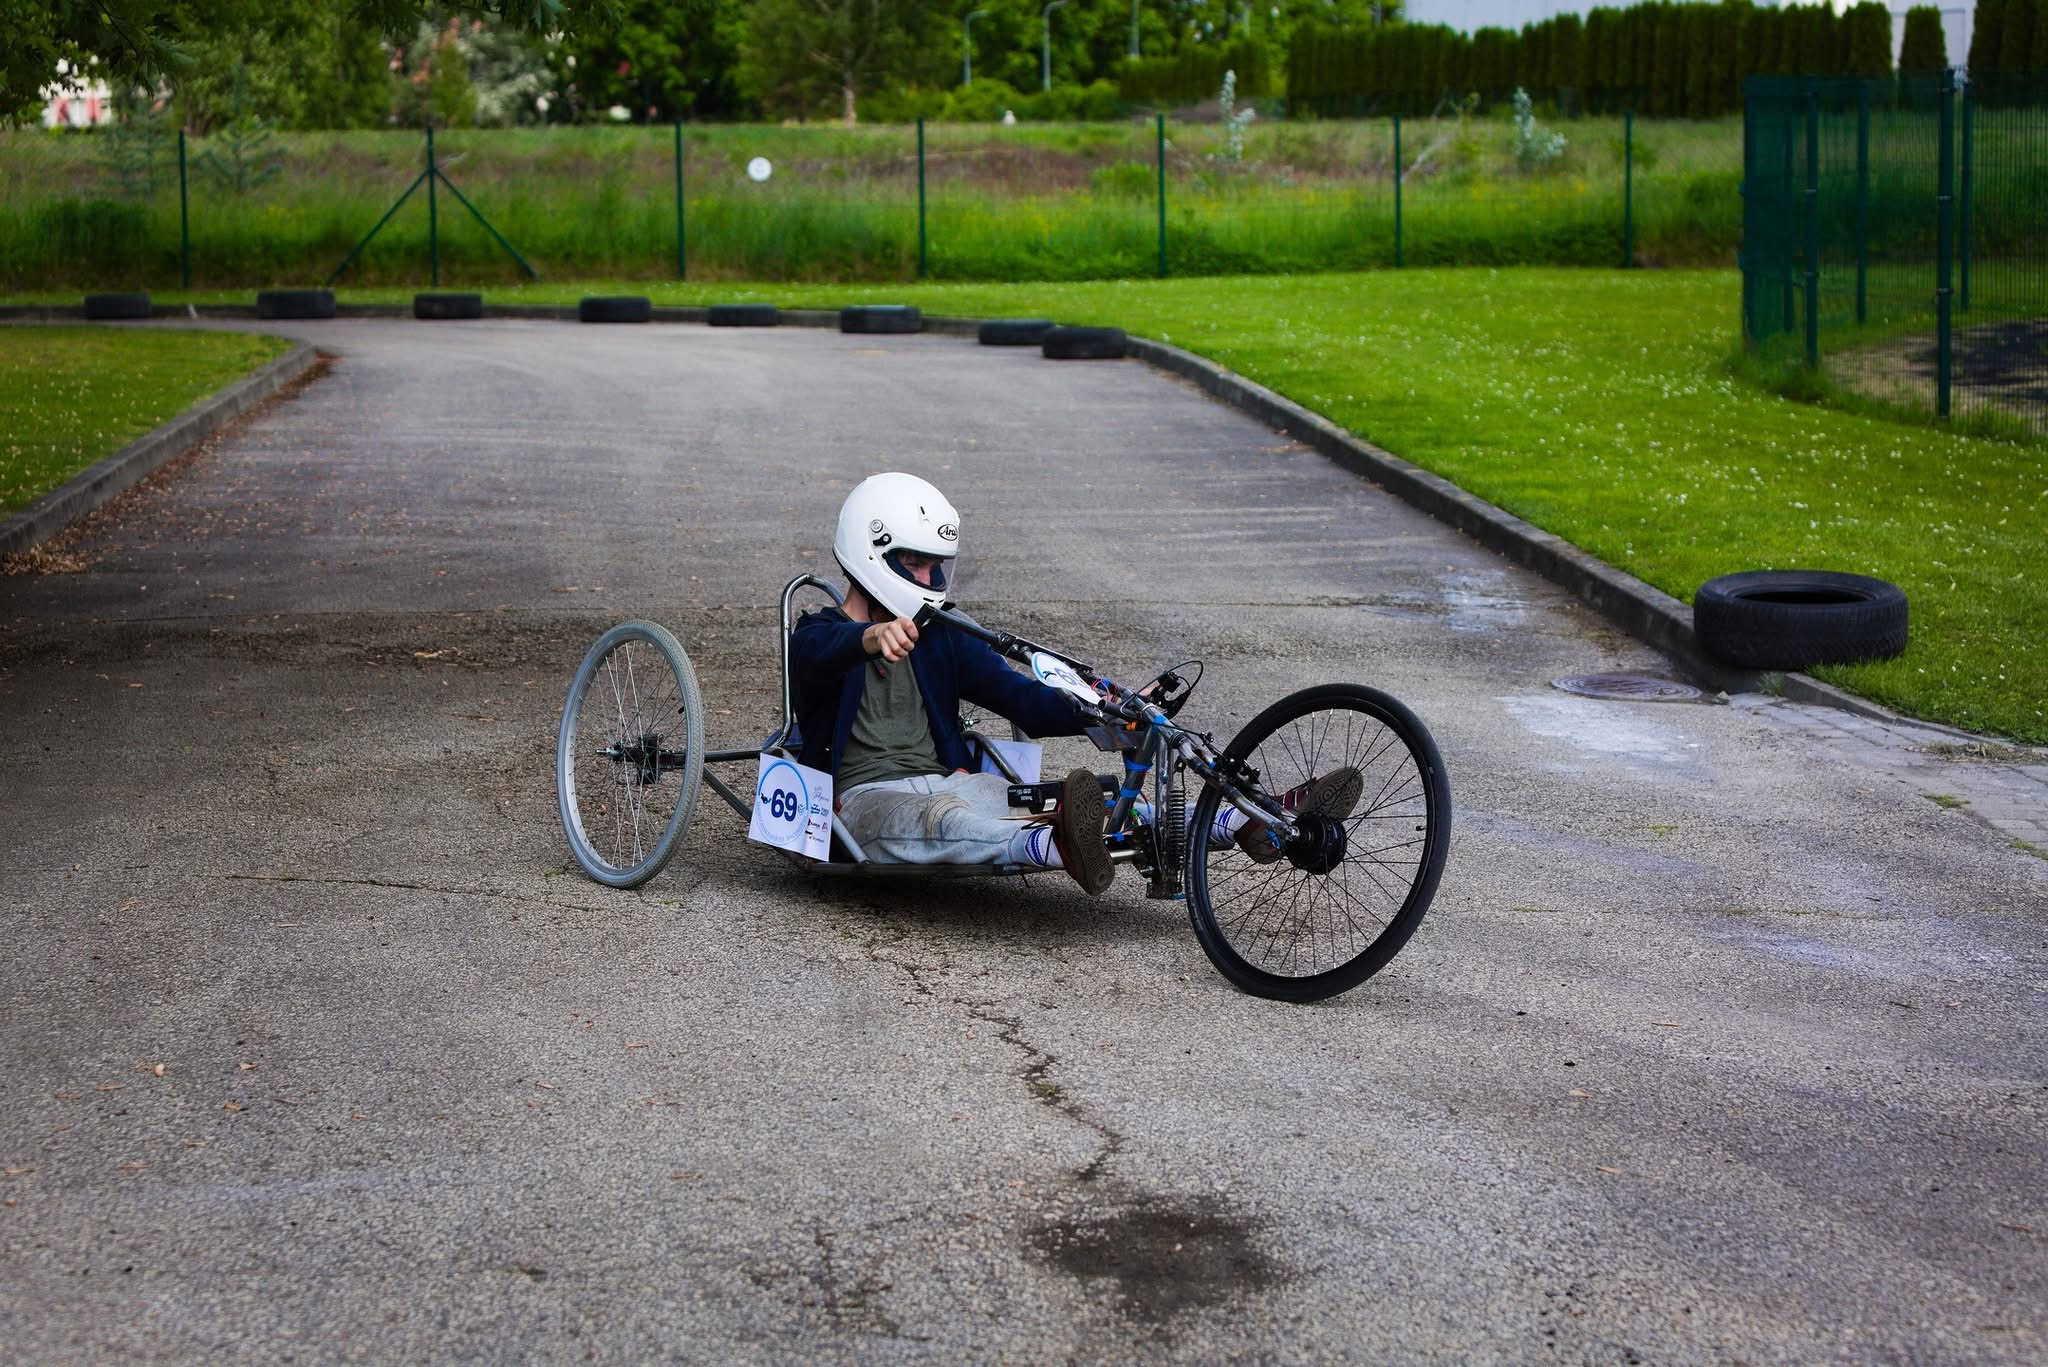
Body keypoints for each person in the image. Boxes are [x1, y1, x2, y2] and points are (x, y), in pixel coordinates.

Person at [788, 473, 1117, 894]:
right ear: (872, 555)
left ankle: (1217, 822)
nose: (928, 581)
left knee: (1042, 801)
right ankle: (1051, 845)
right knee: (944, 819)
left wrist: (1101, 708)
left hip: (953, 780)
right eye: (914, 565)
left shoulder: (939, 634)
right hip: (862, 799)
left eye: (934, 566)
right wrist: (870, 638)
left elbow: (1021, 699)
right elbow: (822, 650)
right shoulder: (816, 636)